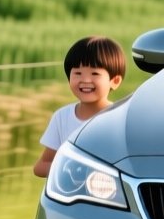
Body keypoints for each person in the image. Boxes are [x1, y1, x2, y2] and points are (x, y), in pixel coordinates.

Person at [33, 35, 125, 178]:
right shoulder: (62, 118)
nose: (85, 80)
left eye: (95, 73)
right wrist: (72, 169)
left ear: (115, 81)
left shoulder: (119, 119)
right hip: (69, 197)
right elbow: (41, 166)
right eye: (77, 73)